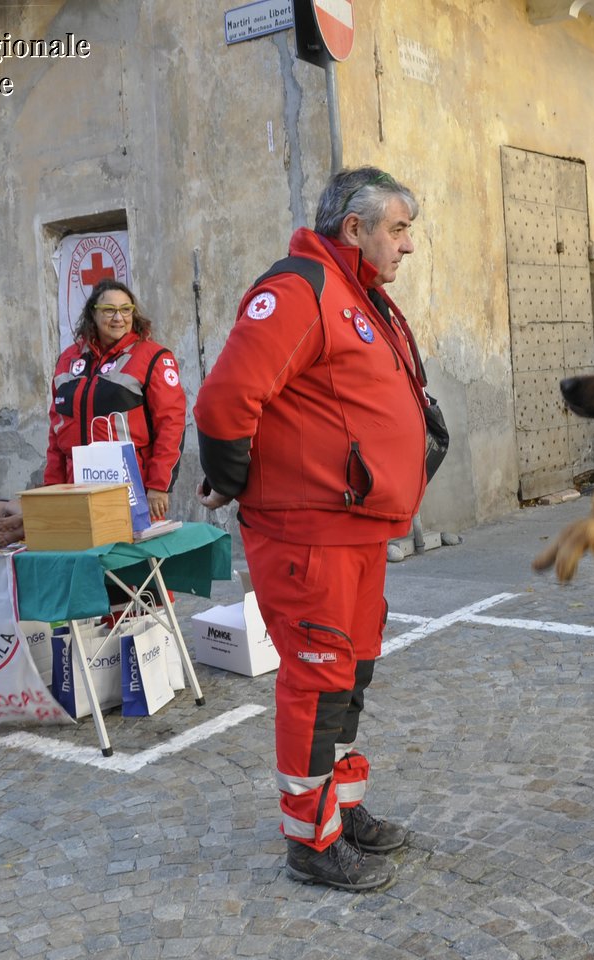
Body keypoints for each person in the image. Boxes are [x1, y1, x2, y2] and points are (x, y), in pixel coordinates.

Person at [195, 166, 434, 892]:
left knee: (351, 674)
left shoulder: (361, 296)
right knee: (319, 676)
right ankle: (310, 840)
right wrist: (235, 482)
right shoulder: (301, 289)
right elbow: (225, 401)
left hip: (356, 531)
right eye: (397, 229)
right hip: (309, 533)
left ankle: (342, 808)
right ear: (353, 228)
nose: (407, 246)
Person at [45, 279, 185, 520]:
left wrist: (159, 485)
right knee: (80, 555)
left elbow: (171, 424)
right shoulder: (68, 359)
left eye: (126, 309)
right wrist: (51, 489)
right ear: (93, 313)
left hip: (132, 488)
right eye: (109, 310)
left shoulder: (153, 357)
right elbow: (56, 434)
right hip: (76, 488)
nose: (118, 318)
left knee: (130, 556)